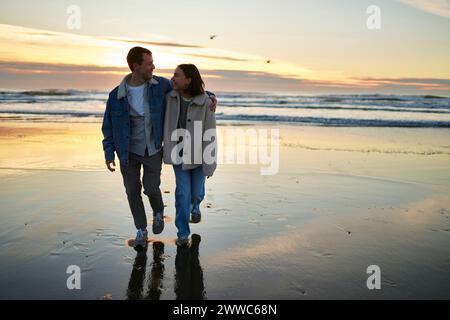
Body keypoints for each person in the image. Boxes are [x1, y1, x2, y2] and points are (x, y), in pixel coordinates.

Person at [101, 47, 217, 249]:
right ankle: (141, 230)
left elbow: (188, 89)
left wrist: (209, 95)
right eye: (149, 63)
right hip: (126, 152)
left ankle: (158, 212)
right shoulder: (116, 95)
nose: (153, 66)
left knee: (152, 188)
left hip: (152, 148)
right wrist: (109, 152)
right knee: (132, 191)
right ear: (136, 66)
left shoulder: (159, 85)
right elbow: (108, 126)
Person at [163, 64, 217, 246]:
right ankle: (183, 233)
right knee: (182, 194)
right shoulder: (169, 96)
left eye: (177, 75)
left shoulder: (205, 102)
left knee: (196, 193)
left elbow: (211, 133)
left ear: (189, 80)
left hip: (200, 154)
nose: (173, 78)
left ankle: (196, 206)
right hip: (178, 153)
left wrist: (210, 161)